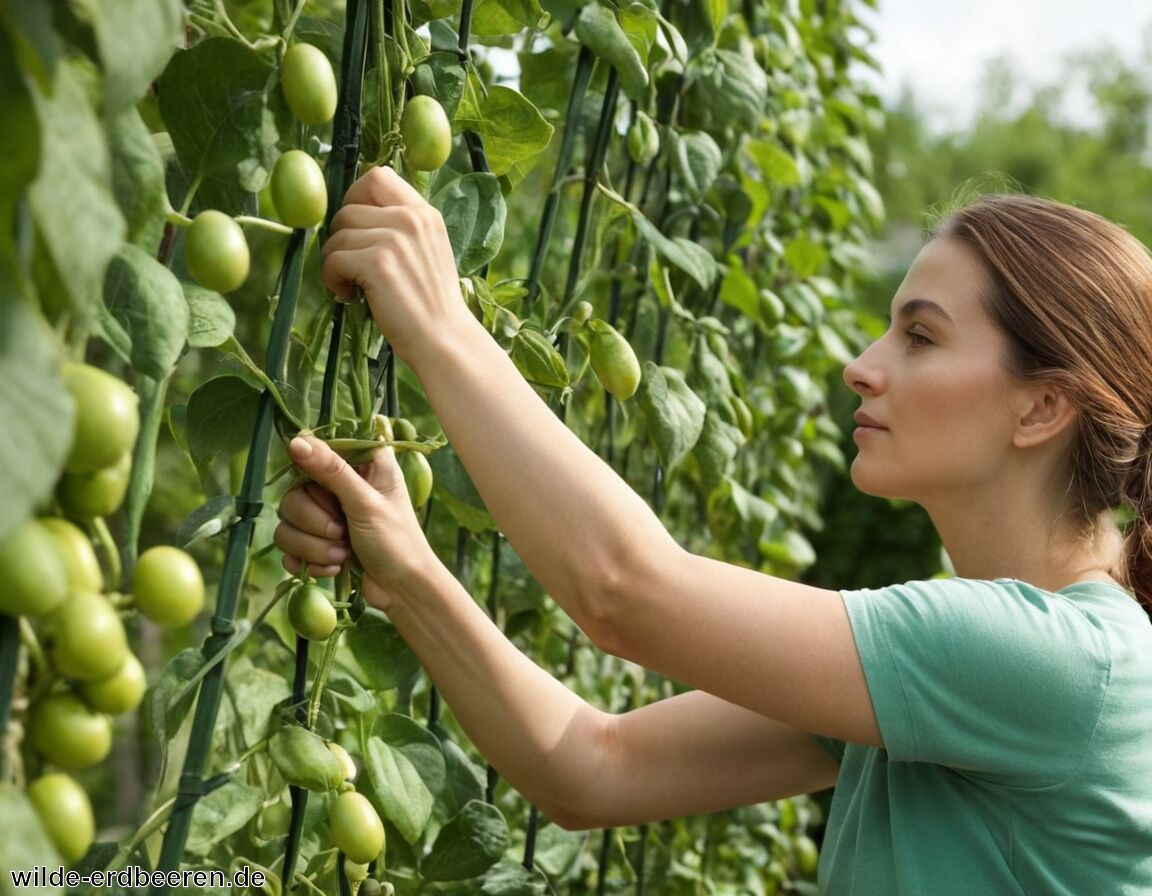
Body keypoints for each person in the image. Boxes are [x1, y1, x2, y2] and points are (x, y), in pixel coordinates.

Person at [274, 167, 1152, 893]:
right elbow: (594, 765)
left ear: (1041, 406)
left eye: (919, 338)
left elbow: (624, 589)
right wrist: (407, 574)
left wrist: (438, 324)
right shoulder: (970, 676)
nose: (861, 367)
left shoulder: (1060, 664)